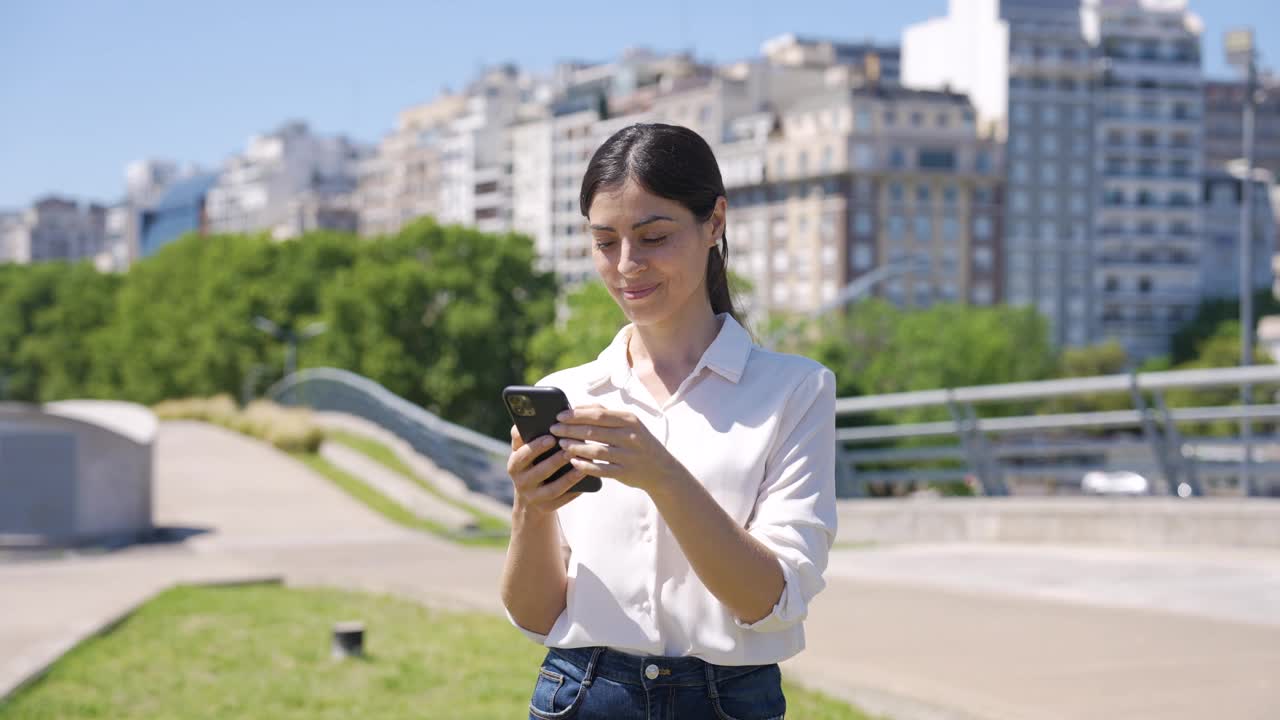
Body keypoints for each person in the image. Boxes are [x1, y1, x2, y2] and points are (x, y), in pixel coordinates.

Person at [501, 123, 837, 720]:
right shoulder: (566, 395)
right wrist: (531, 506)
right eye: (605, 242)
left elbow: (769, 601)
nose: (628, 265)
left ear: (715, 223)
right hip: (577, 693)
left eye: (653, 236)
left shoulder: (796, 390)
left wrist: (662, 474)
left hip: (728, 701)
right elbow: (536, 617)